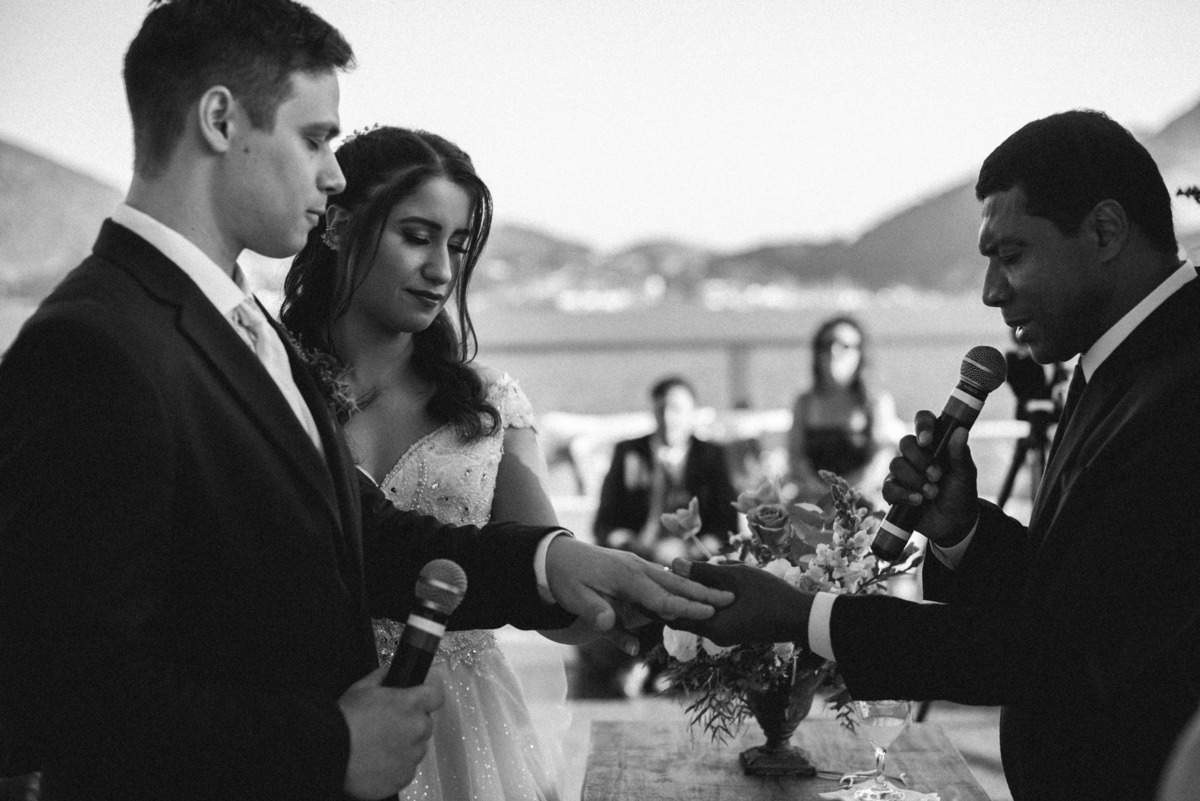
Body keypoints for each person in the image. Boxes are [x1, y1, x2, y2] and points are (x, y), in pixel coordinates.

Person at [0, 3, 731, 799]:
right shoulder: (94, 345)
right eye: (315, 138)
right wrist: (330, 745)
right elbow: (55, 688)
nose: (334, 175)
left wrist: (549, 560)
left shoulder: (244, 327)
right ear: (220, 120)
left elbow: (360, 535)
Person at [670, 109, 1200, 801]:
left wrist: (800, 615)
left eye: (1012, 255)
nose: (991, 291)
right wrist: (961, 529)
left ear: (1104, 231)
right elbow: (1074, 595)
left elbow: (1055, 654)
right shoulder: (1114, 361)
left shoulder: (1185, 388)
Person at [282, 125, 572, 800]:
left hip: (466, 729)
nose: (442, 269)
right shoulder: (271, 384)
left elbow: (560, 598)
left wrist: (653, 600)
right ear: (337, 226)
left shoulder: (489, 406)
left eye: (458, 245)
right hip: (316, 716)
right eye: (417, 236)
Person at [575, 376, 739, 698]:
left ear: (693, 413)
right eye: (661, 409)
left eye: (676, 409)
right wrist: (625, 542)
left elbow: (726, 524)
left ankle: (661, 667)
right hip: (637, 553)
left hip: (691, 555)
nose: (668, 418)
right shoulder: (629, 452)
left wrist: (690, 547)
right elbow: (605, 520)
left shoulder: (712, 456)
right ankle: (642, 665)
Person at [787, 315, 901, 508]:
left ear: (860, 354)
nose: (834, 352)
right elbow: (796, 458)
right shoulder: (804, 403)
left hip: (862, 502)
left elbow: (881, 459)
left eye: (845, 346)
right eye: (827, 345)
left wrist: (846, 492)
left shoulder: (876, 402)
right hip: (814, 501)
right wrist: (819, 491)